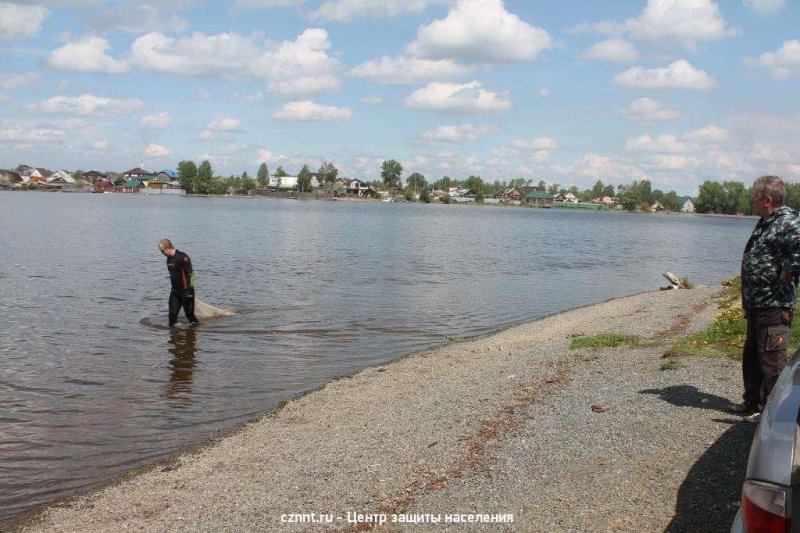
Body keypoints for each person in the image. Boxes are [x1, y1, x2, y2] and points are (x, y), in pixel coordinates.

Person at [732, 176, 800, 422]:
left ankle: (773, 416)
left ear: (767, 200)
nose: (752, 200)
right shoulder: (767, 221)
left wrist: (788, 271)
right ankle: (752, 402)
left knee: (772, 360)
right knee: (752, 356)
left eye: (755, 196)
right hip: (757, 302)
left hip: (774, 302)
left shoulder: (788, 222)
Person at [157, 238, 200, 327]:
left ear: (168, 247)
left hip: (186, 291)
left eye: (162, 251)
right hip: (175, 292)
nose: (162, 253)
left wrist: (190, 290)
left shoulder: (183, 257)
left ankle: (195, 333)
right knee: (171, 317)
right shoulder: (169, 259)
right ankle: (174, 339)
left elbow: (191, 274)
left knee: (190, 317)